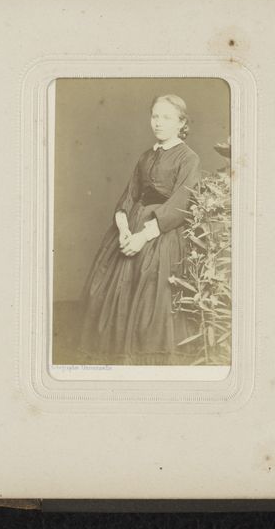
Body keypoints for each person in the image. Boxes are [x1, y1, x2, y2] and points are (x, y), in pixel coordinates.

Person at [79, 94, 201, 365]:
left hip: (162, 234)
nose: (158, 122)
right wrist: (124, 228)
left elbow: (181, 203)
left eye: (166, 117)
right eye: (155, 116)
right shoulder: (146, 156)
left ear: (181, 123)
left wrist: (143, 236)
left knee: (152, 298)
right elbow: (129, 195)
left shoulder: (189, 158)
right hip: (131, 226)